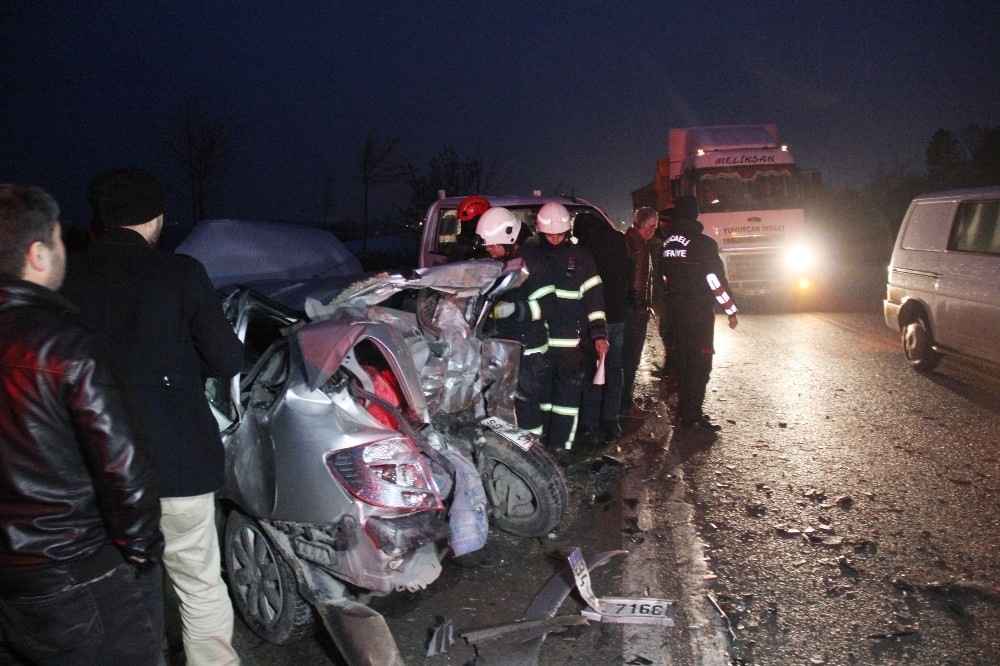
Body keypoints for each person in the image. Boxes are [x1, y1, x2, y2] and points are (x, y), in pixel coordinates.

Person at [61, 168, 244, 666]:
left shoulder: (65, 278)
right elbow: (229, 360)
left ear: (101, 220)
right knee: (200, 583)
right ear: (157, 218)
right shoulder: (181, 274)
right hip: (179, 465)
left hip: (97, 473)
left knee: (121, 598)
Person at [0, 184, 164, 665]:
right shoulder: (64, 344)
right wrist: (141, 551)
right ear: (37, 254)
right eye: (57, 242)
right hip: (73, 570)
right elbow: (122, 466)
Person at [532, 202, 609, 455]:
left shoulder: (582, 259)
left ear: (568, 232)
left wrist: (599, 334)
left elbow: (594, 300)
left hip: (570, 346)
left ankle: (561, 448)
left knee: (566, 402)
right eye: (550, 234)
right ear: (540, 232)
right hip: (538, 345)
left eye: (560, 234)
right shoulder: (530, 257)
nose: (555, 239)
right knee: (541, 400)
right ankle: (539, 449)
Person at [659, 195, 738, 431]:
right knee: (700, 364)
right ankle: (692, 416)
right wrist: (730, 309)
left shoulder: (667, 244)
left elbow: (663, 278)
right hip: (698, 315)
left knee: (682, 362)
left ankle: (685, 411)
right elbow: (715, 281)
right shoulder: (704, 245)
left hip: (674, 312)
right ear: (696, 214)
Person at [475, 206, 551, 435]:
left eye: (493, 245)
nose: (489, 250)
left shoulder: (533, 263)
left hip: (529, 349)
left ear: (509, 239)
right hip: (508, 346)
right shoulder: (507, 260)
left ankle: (531, 456)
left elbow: (548, 306)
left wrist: (515, 310)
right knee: (506, 402)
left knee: (526, 406)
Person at [573, 210, 628, 447]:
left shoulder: (584, 250)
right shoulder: (618, 241)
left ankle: (589, 424)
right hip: (618, 316)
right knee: (614, 370)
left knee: (593, 372)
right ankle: (611, 419)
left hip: (595, 320)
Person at [620, 207, 658, 417]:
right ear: (651, 227)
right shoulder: (640, 247)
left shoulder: (625, 239)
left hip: (623, 308)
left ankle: (621, 401)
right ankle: (625, 403)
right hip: (634, 311)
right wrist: (641, 306)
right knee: (631, 359)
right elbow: (638, 281)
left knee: (622, 357)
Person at [650, 206, 675, 381]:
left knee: (672, 333)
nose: (663, 225)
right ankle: (670, 367)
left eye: (667, 221)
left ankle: (674, 370)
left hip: (676, 297)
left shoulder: (673, 243)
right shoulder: (658, 242)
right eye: (662, 222)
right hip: (665, 297)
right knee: (665, 332)